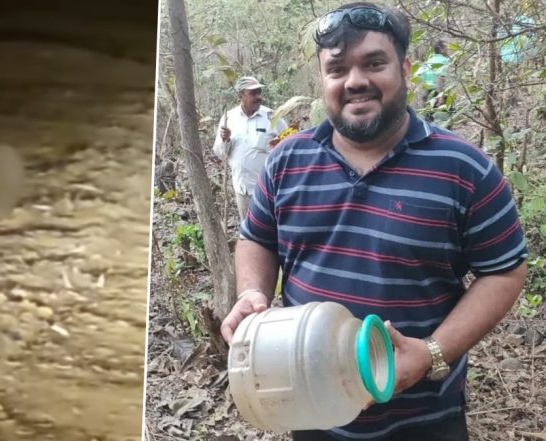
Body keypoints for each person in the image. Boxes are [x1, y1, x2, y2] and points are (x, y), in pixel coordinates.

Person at [220, 3, 527, 441]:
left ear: (404, 68)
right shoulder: (287, 160)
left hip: (424, 420)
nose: (355, 81)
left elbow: (505, 271)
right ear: (323, 80)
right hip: (310, 405)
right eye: (337, 68)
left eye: (374, 63)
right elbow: (256, 239)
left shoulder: (464, 169)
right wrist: (253, 292)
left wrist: (431, 353)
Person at [212, 76, 287, 220]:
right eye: (253, 93)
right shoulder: (229, 118)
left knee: (273, 230)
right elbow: (220, 153)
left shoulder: (272, 116)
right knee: (249, 232)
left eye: (259, 92)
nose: (258, 97)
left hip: (270, 189)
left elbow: (289, 143)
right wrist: (225, 139)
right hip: (243, 189)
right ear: (240, 95)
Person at [414, 39, 451, 119]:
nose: (447, 49)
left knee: (428, 119)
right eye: (446, 47)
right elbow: (441, 78)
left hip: (426, 93)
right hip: (438, 93)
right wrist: (441, 97)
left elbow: (418, 76)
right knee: (444, 121)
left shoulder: (428, 61)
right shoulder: (445, 61)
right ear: (441, 49)